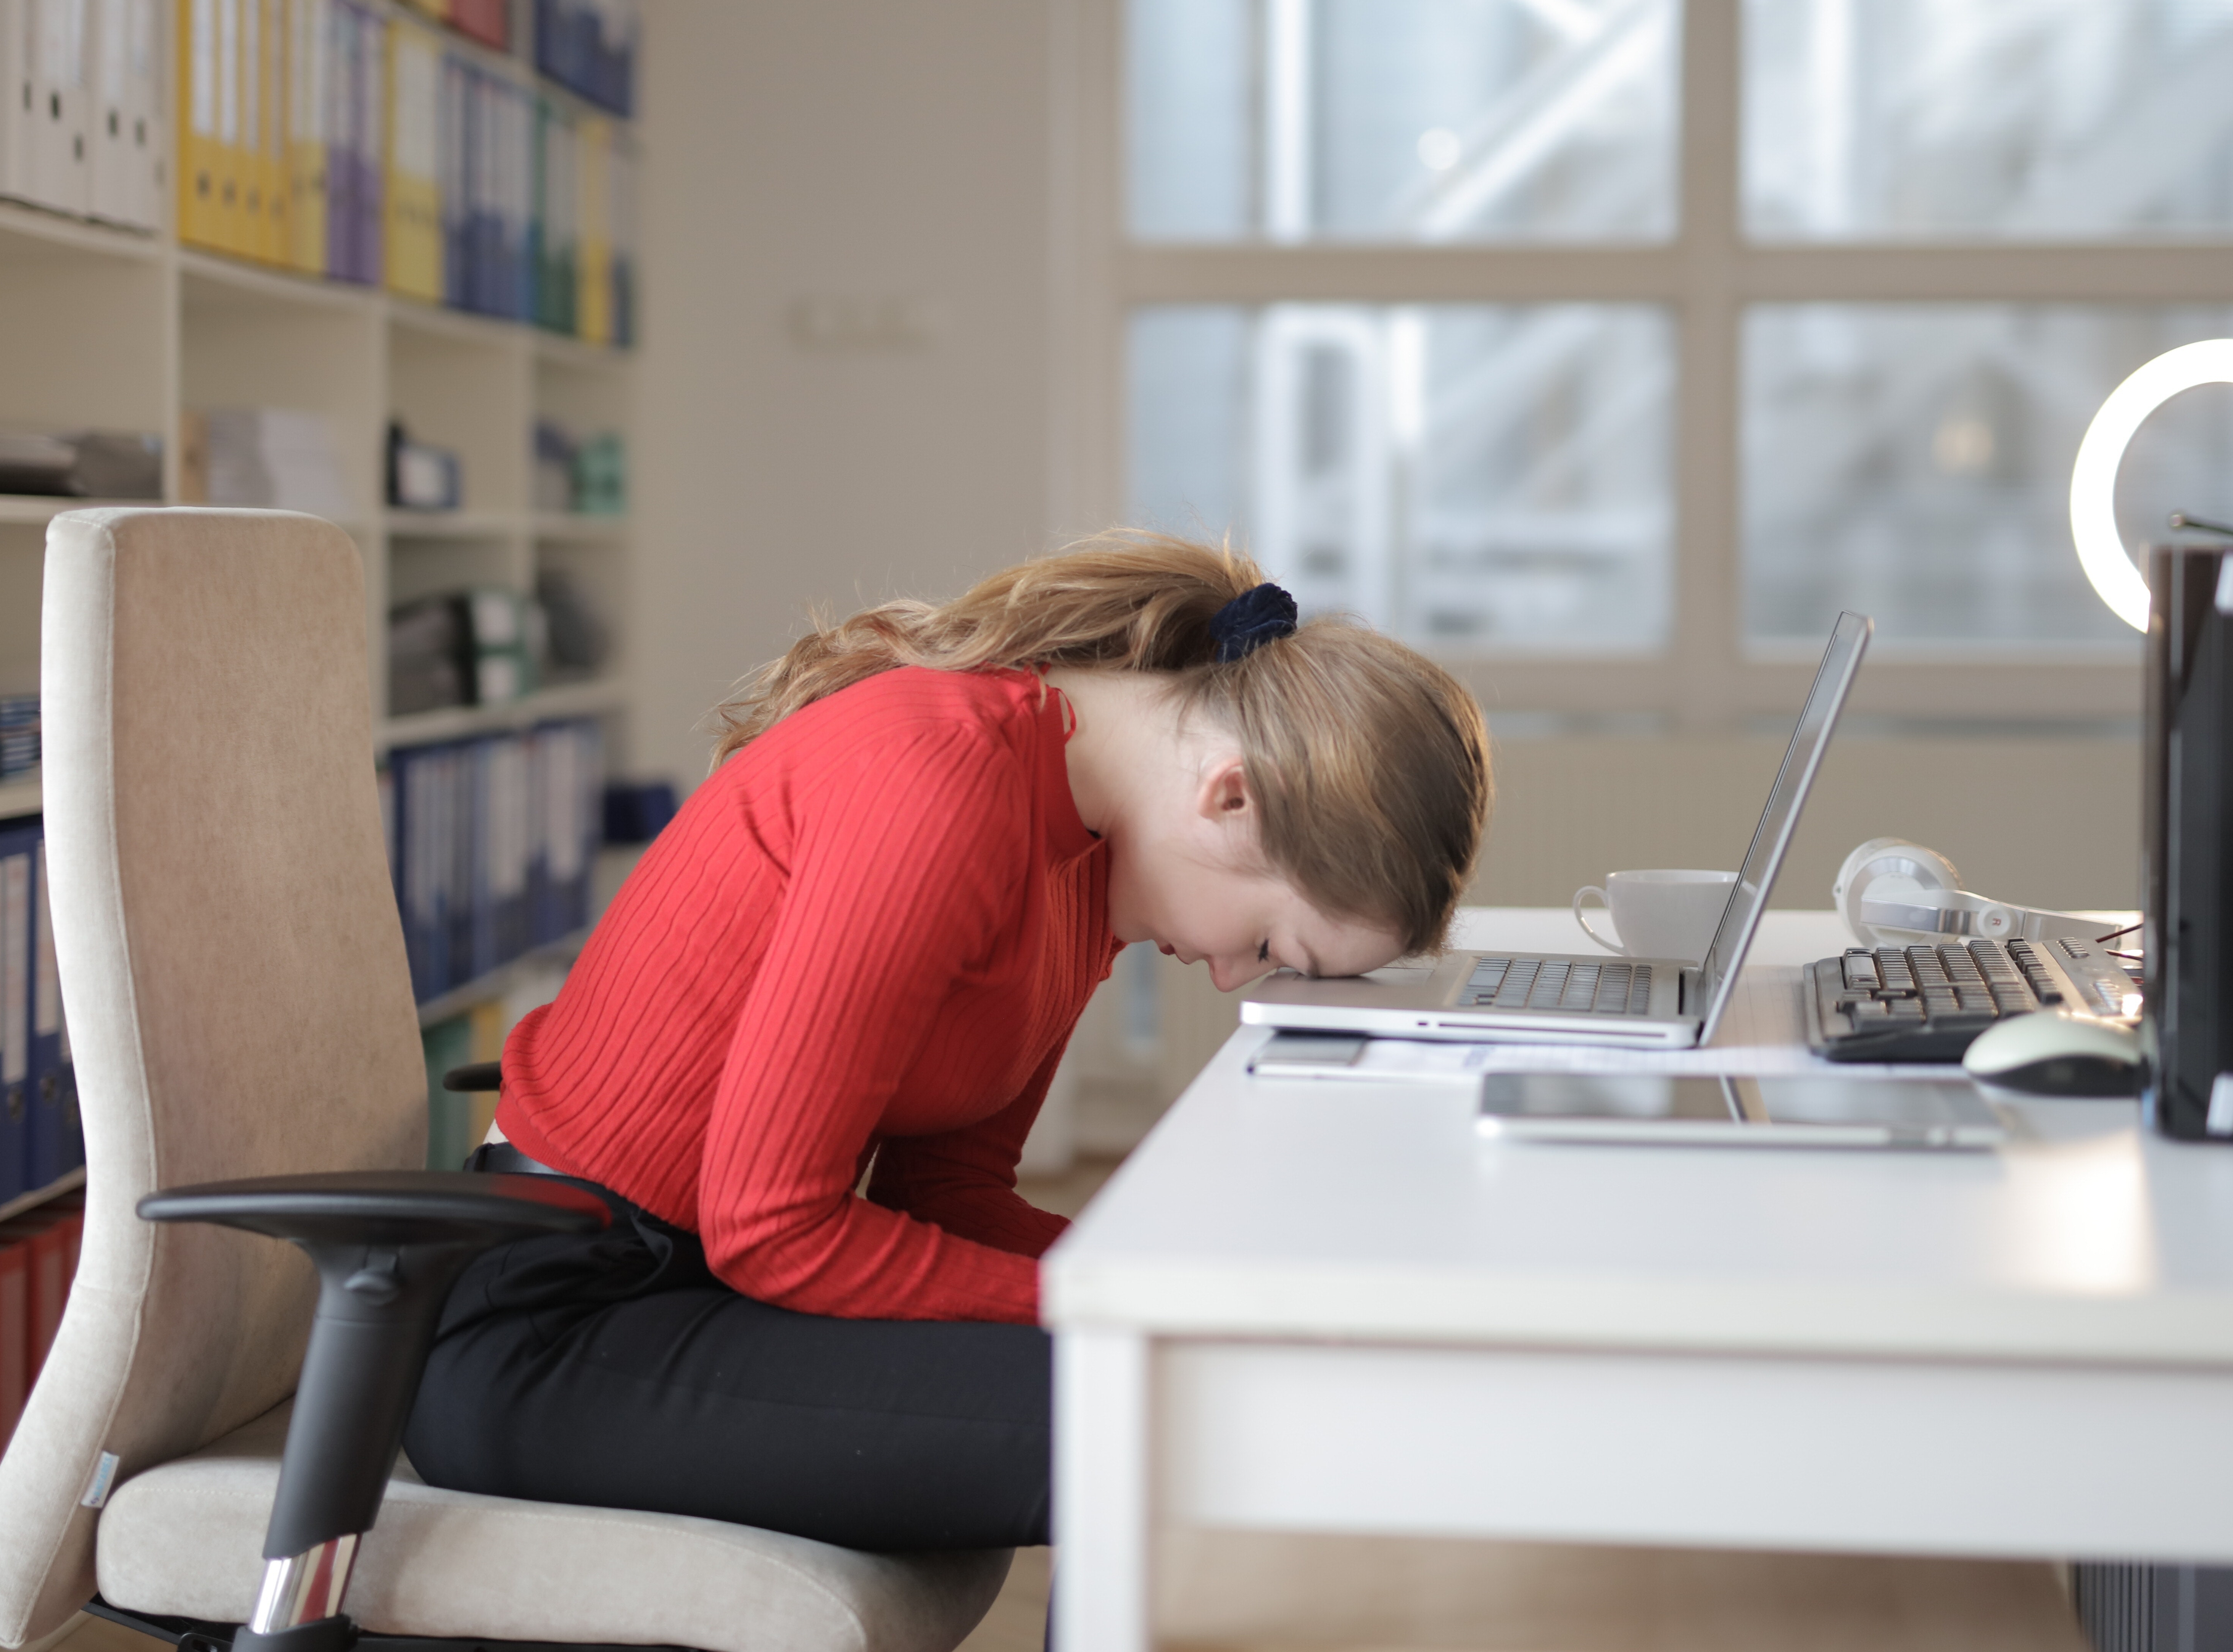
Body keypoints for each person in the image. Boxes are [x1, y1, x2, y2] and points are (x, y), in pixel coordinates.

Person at [403, 532, 1493, 1554]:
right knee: (1173, 1420)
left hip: (705, 1298)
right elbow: (773, 1229)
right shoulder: (942, 776)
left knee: (1196, 1382)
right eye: (1267, 943)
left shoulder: (1089, 861)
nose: (1230, 974)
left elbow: (952, 1193)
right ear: (1234, 795)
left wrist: (1182, 1283)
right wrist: (1126, 1299)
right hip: (557, 1329)